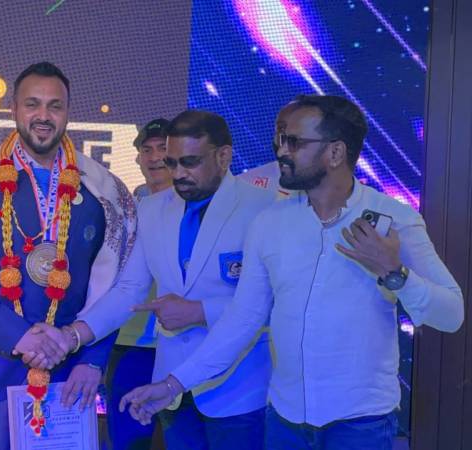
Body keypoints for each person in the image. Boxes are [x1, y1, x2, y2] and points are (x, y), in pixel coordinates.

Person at [120, 95, 465, 450]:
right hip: (285, 421)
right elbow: (242, 319)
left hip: (360, 423)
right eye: (280, 140)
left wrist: (394, 272)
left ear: (335, 153)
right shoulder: (270, 223)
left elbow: (452, 314)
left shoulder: (394, 219)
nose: (281, 152)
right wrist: (173, 384)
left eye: (294, 142)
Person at [0, 62, 137, 449]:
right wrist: (19, 336)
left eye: (54, 105)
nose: (43, 115)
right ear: (13, 108)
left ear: (68, 111)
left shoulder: (106, 190)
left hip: (70, 370)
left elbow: (118, 288)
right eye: (32, 104)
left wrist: (93, 358)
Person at [64, 110, 275, 449]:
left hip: (240, 389)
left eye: (190, 162)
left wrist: (200, 311)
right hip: (171, 386)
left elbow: (271, 304)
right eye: (172, 162)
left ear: (224, 156)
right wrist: (72, 335)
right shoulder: (151, 209)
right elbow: (129, 290)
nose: (178, 174)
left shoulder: (264, 208)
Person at [104, 118, 171, 450]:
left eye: (163, 149)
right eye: (148, 149)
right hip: (129, 342)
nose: (155, 157)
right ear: (137, 157)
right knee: (128, 438)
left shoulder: (196, 209)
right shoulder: (124, 209)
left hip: (180, 342)